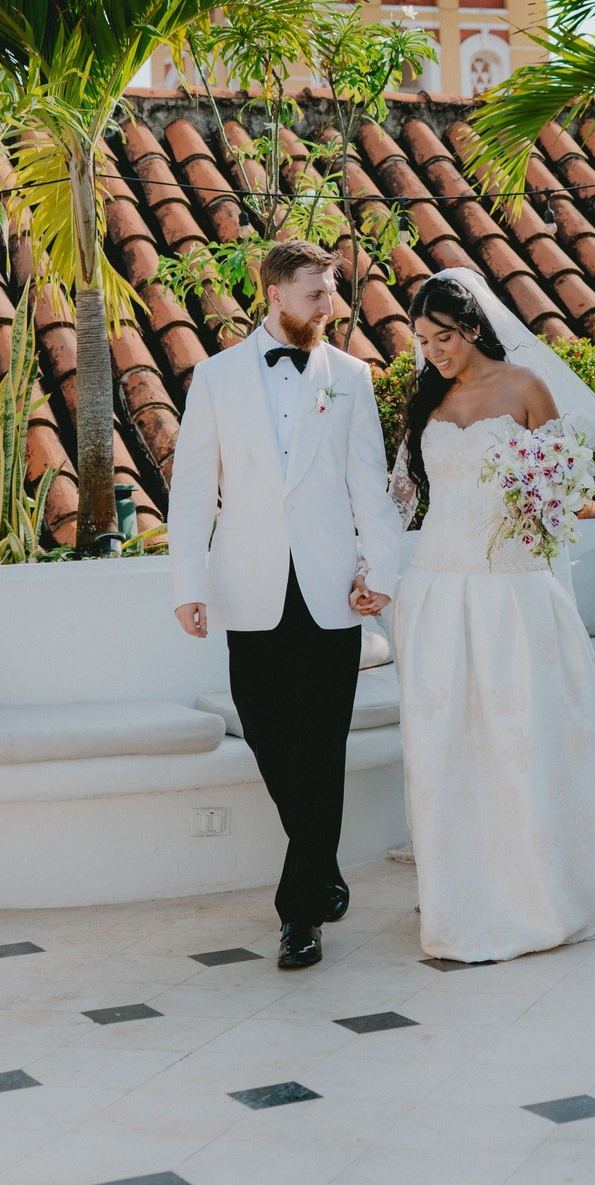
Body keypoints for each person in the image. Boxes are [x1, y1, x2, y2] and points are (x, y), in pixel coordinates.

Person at [389, 267, 595, 964]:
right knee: (447, 744)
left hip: (512, 588)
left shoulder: (525, 388)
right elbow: (401, 497)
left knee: (523, 738)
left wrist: (540, 502)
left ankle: (544, 893)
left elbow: (563, 490)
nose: (433, 352)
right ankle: (460, 896)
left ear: (471, 326)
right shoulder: (425, 402)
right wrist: (370, 571)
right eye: (421, 340)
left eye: (442, 336)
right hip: (438, 590)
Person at [169, 238, 404, 971]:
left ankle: (298, 914)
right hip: (250, 591)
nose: (327, 305)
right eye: (314, 293)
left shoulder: (352, 376)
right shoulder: (213, 377)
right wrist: (188, 584)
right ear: (274, 293)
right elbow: (189, 488)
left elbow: (368, 483)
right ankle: (323, 864)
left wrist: (383, 570)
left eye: (331, 291)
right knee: (274, 744)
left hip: (333, 592)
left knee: (321, 749)